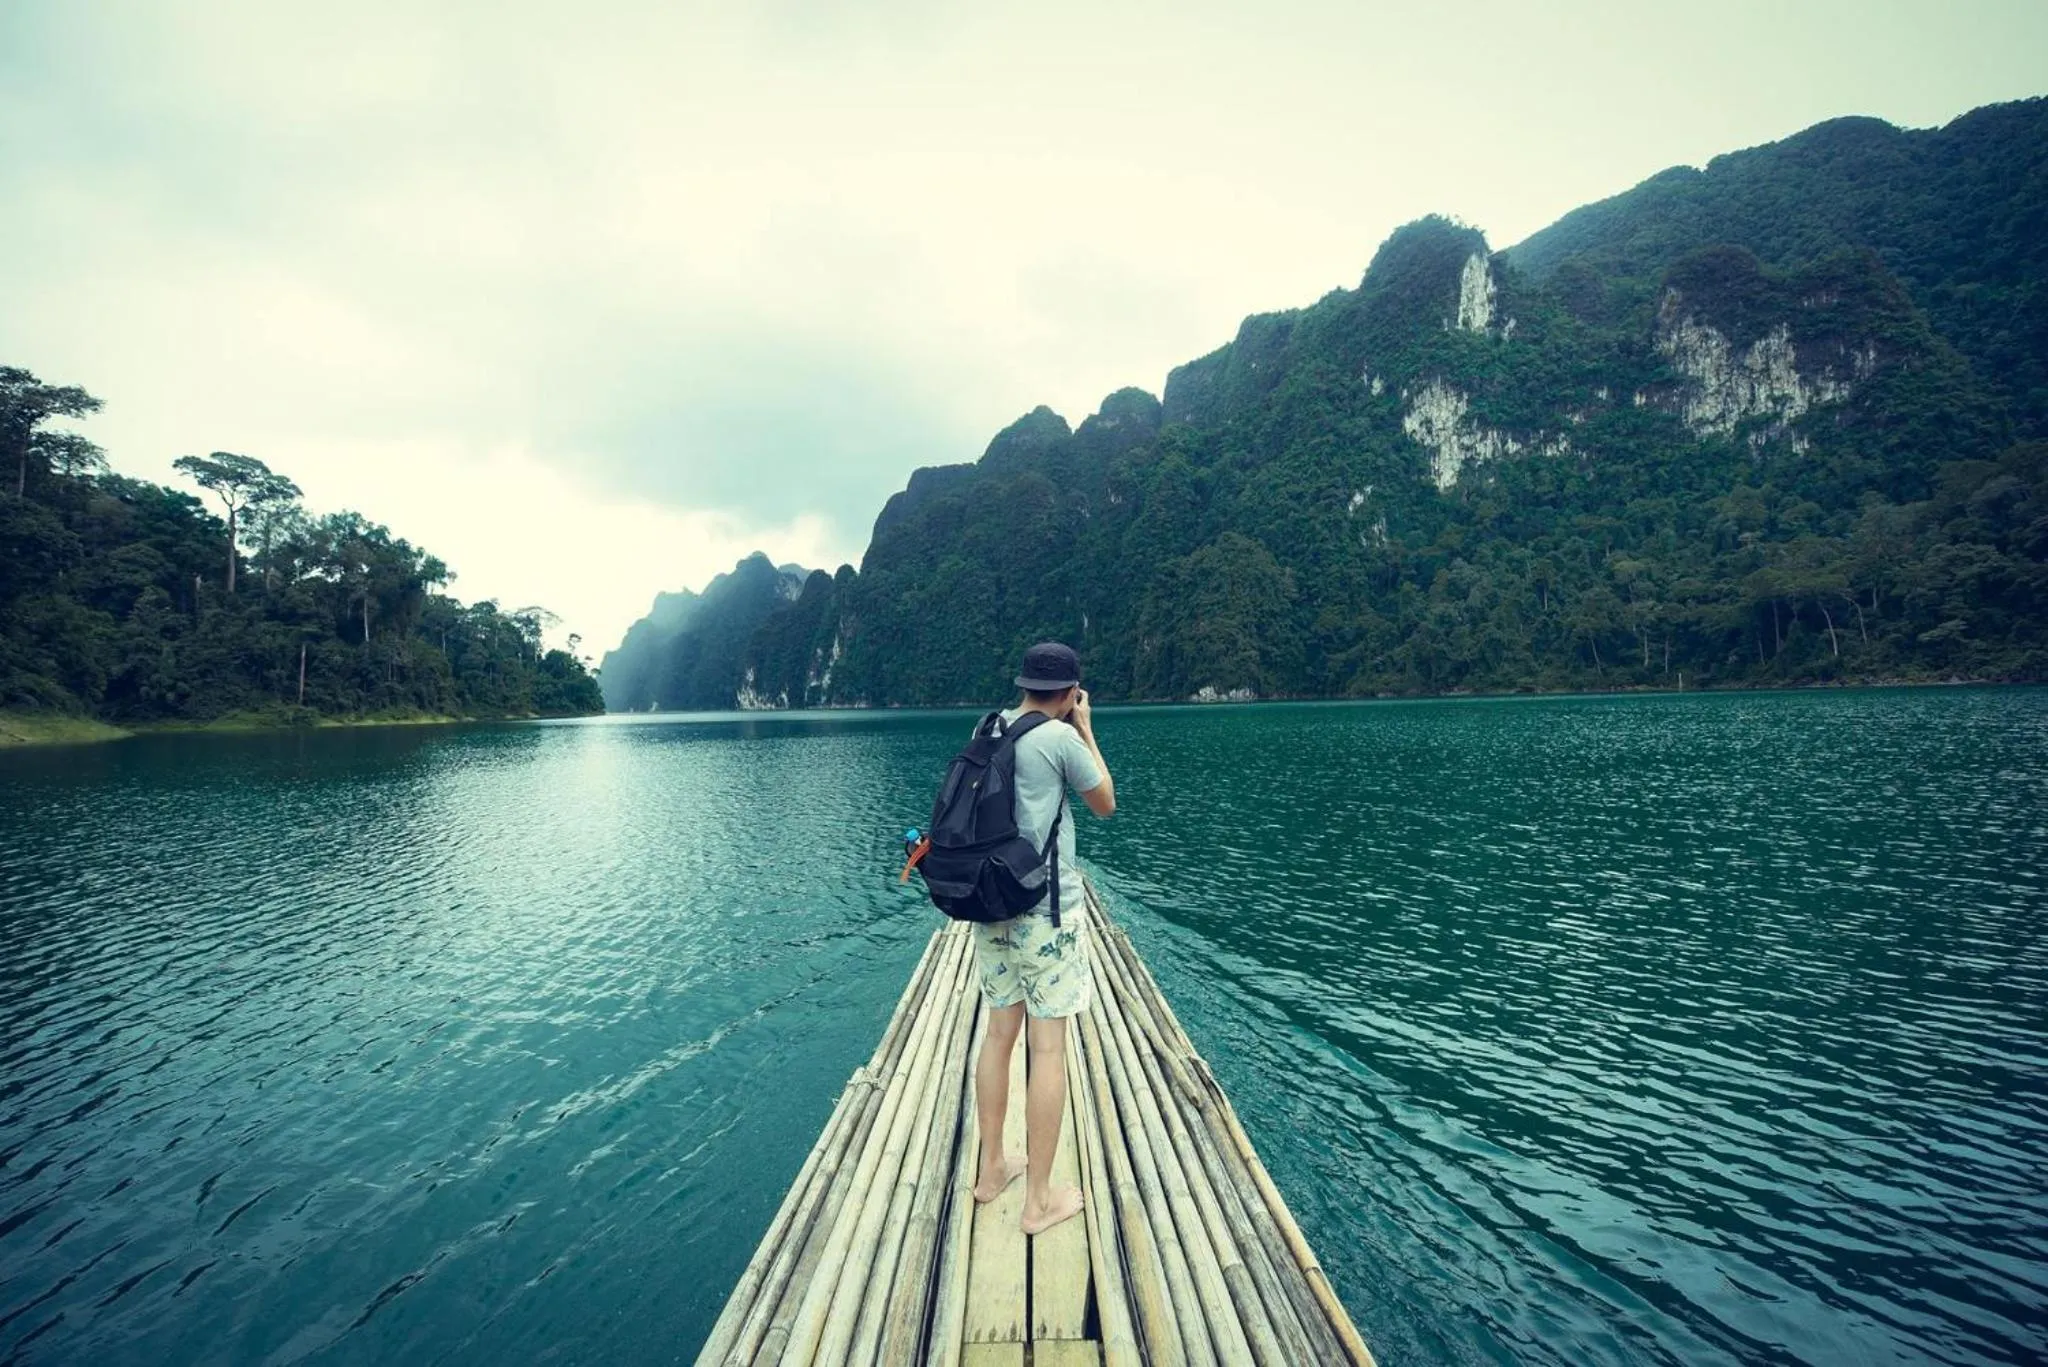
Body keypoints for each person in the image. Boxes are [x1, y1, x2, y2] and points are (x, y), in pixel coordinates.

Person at [970, 640, 1115, 1236]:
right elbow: (1105, 803)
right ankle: (1037, 1203)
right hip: (1045, 914)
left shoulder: (989, 727)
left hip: (990, 905)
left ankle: (990, 1171)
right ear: (1070, 692)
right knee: (1048, 1049)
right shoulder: (1059, 739)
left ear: (1024, 684)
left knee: (997, 1035)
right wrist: (1085, 729)